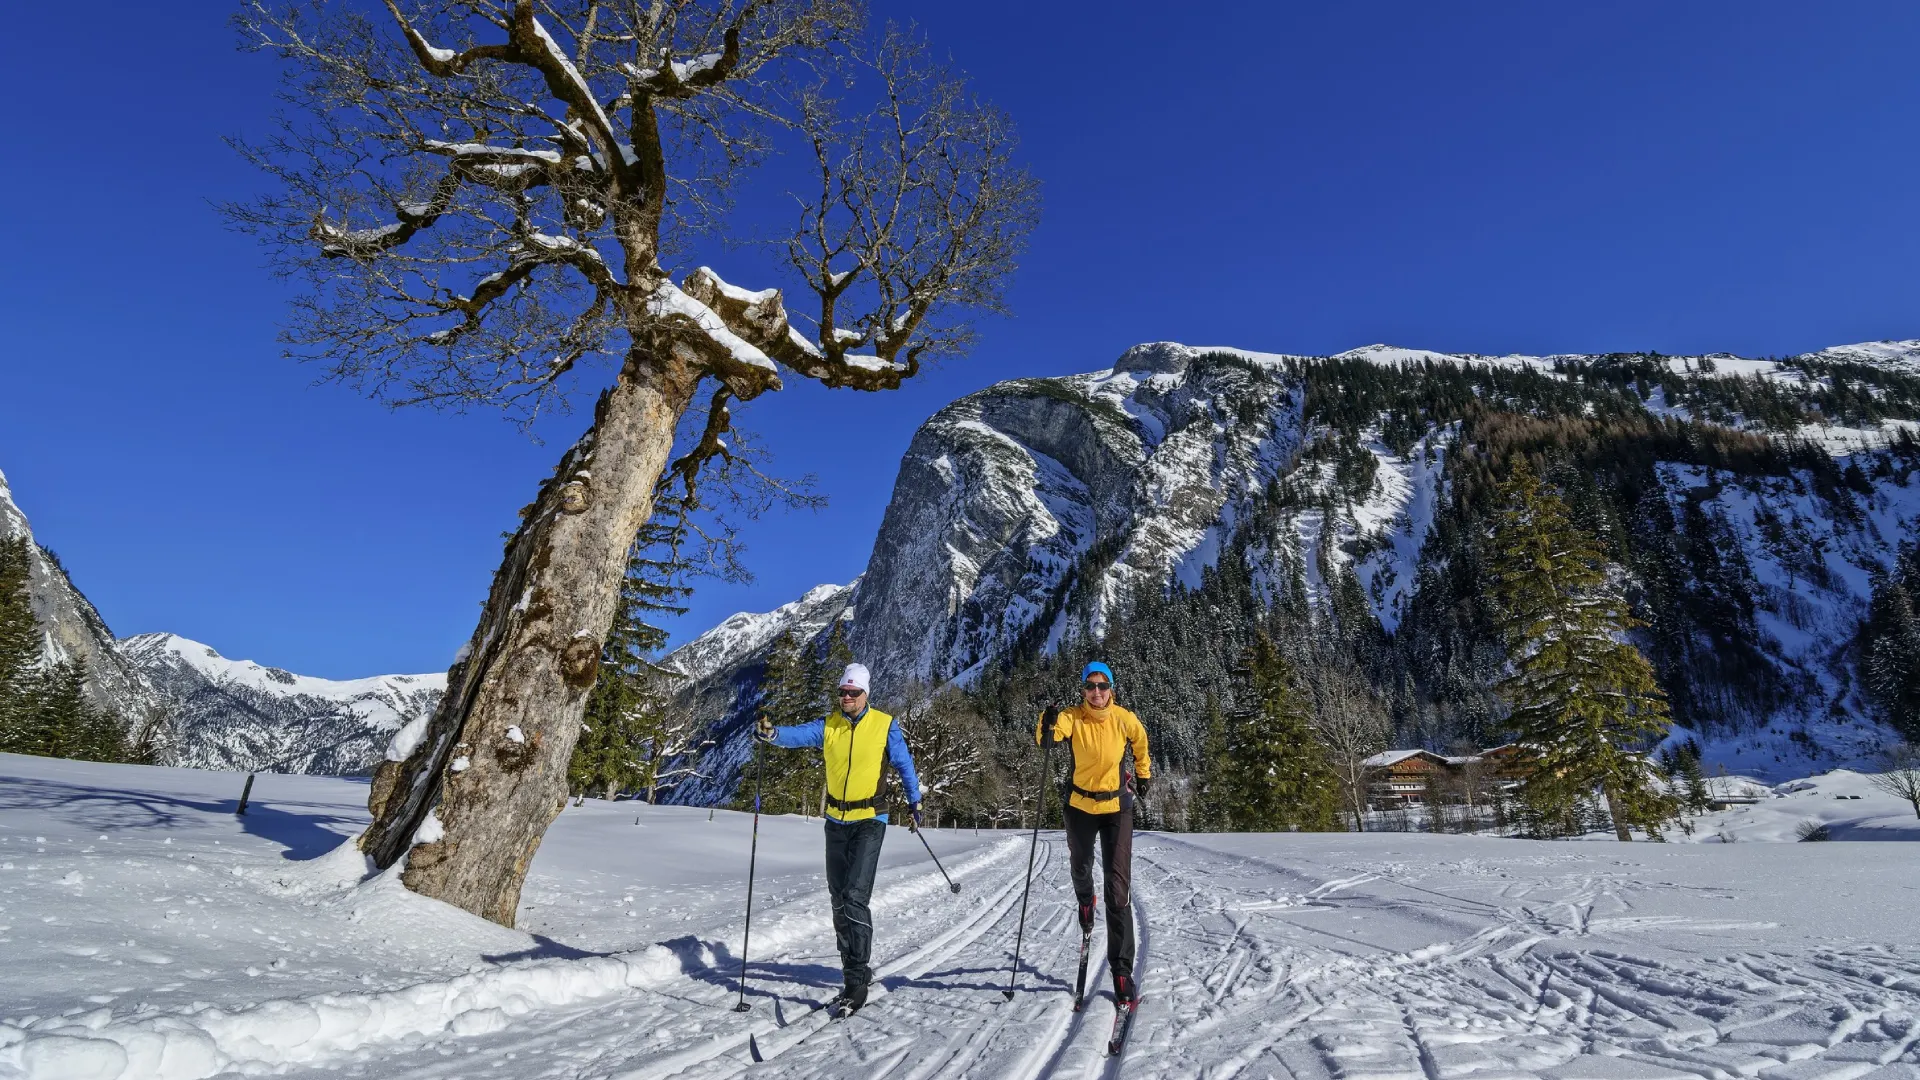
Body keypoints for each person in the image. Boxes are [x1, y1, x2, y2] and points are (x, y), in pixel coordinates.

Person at [757, 662, 922, 1016]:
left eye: (853, 692)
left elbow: (905, 764)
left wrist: (915, 801)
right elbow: (798, 735)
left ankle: (856, 981)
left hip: (870, 820)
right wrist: (773, 735)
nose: (846, 697)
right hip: (835, 820)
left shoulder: (884, 725)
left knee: (854, 897)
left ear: (865, 694)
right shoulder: (829, 725)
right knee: (837, 899)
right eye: (842, 692)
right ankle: (854, 968)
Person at [1035, 660, 1152, 1006]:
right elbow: (1048, 740)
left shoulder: (1124, 718)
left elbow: (1141, 741)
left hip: (1117, 808)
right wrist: (1048, 718)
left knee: (1118, 889)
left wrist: (1143, 774)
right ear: (1083, 690)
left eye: (1103, 686)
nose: (1097, 692)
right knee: (1080, 867)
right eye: (1091, 686)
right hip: (1081, 807)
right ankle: (1086, 902)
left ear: (1111, 689)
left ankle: (1120, 970)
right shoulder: (1073, 717)